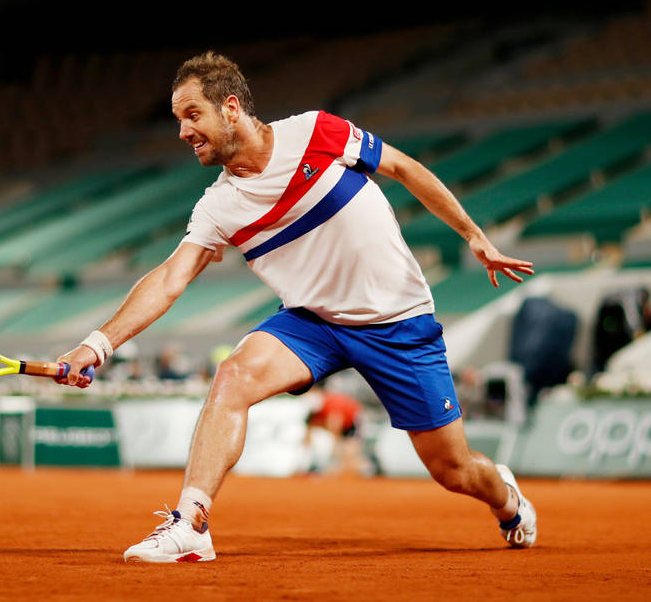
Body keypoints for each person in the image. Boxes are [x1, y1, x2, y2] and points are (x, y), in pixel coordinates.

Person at [54, 52, 537, 562]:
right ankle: (191, 524)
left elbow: (401, 166)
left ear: (231, 108)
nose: (183, 132)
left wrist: (473, 236)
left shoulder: (315, 132)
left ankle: (506, 499)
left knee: (454, 471)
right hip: (315, 322)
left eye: (192, 114)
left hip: (397, 321)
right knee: (233, 377)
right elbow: (170, 280)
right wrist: (97, 343)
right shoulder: (218, 207)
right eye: (178, 120)